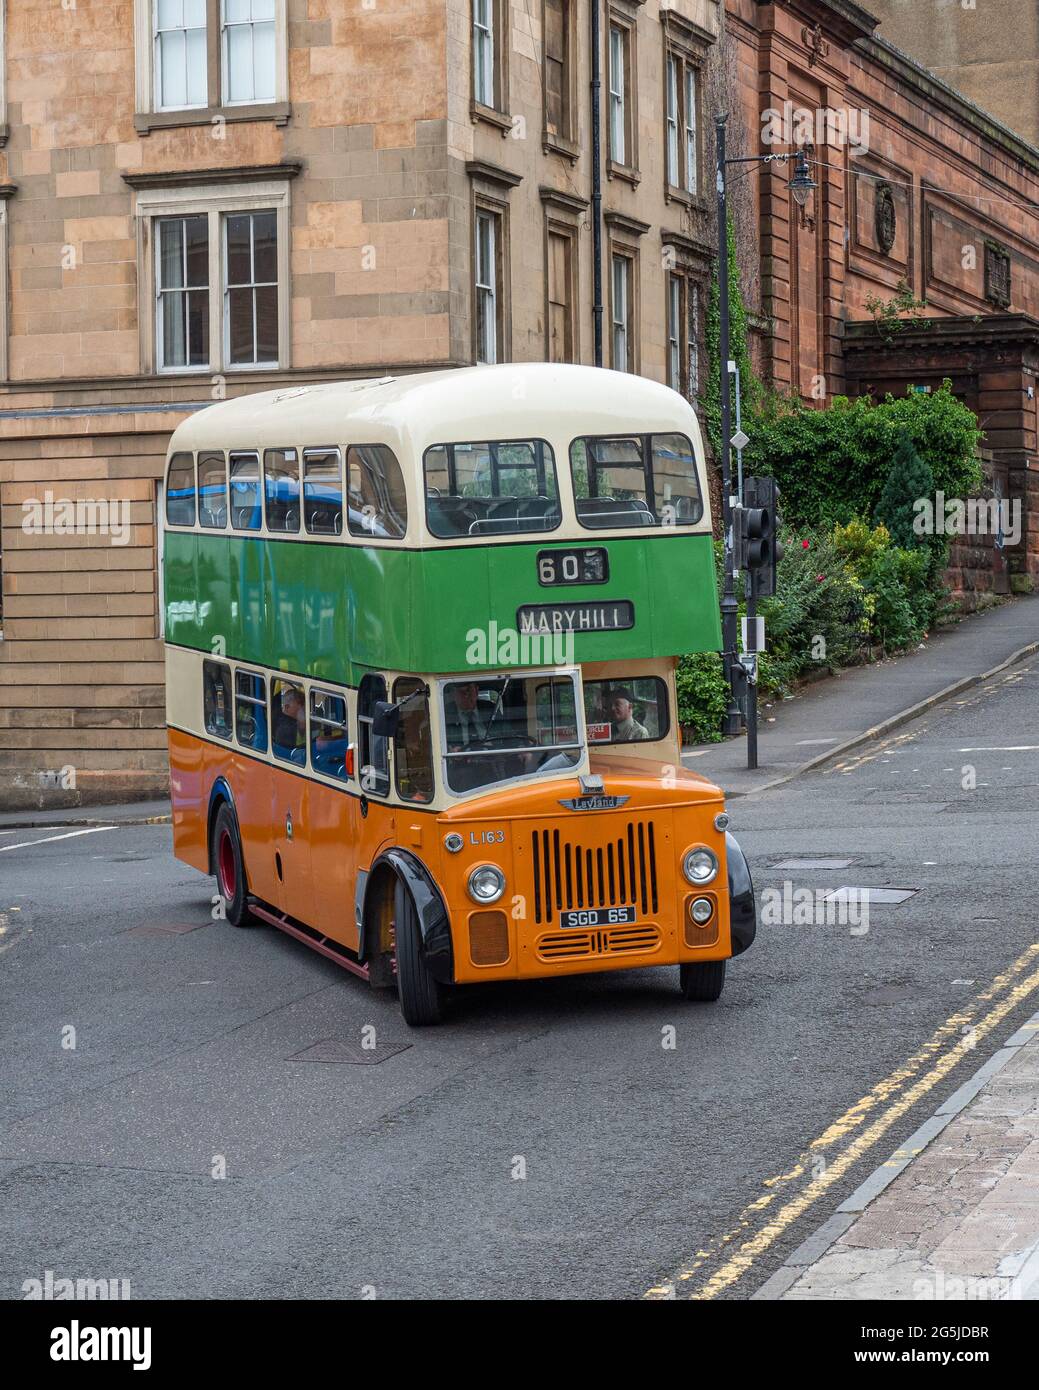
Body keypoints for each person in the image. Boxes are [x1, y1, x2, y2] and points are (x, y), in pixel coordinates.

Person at [273, 684, 306, 762]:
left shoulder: (283, 719)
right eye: (301, 704)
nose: (305, 707)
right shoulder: (286, 729)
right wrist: (302, 724)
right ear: (287, 707)